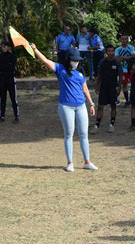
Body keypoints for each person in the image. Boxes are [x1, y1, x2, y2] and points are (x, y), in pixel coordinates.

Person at [30, 44, 97, 172]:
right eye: (74, 60)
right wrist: (35, 49)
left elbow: (85, 89)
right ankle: (70, 162)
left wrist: (91, 103)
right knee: (69, 134)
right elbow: (45, 60)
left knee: (84, 134)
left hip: (81, 106)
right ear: (68, 59)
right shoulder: (60, 69)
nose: (76, 62)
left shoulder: (80, 72)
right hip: (66, 107)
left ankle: (87, 162)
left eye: (77, 60)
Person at [92, 45, 121, 134]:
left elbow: (120, 76)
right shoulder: (103, 62)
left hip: (113, 87)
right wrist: (97, 86)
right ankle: (97, 125)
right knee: (100, 106)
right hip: (104, 86)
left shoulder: (117, 62)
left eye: (112, 51)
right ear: (106, 52)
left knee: (113, 106)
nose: (111, 53)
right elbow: (99, 74)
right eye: (109, 51)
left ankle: (112, 124)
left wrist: (119, 87)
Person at [0, 41, 19, 123]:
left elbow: (12, 67)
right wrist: (6, 66)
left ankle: (16, 116)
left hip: (10, 79)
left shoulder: (13, 56)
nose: (3, 48)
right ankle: (2, 116)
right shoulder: (0, 56)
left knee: (13, 98)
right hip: (2, 79)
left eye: (4, 46)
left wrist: (5, 66)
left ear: (8, 47)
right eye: (2, 46)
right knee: (2, 98)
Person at [115, 35, 135, 107]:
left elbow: (134, 56)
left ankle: (134, 100)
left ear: (127, 40)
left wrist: (124, 58)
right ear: (120, 40)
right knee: (124, 85)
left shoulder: (131, 48)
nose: (124, 40)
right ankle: (127, 101)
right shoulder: (118, 49)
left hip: (131, 69)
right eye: (123, 39)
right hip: (122, 70)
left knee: (134, 84)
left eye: (126, 39)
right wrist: (126, 58)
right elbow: (116, 58)